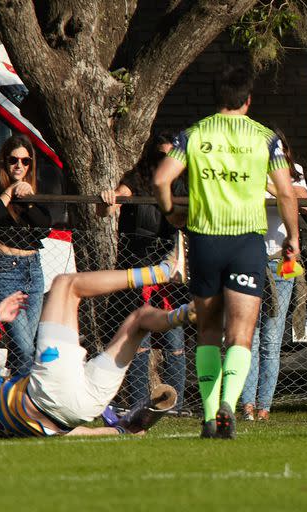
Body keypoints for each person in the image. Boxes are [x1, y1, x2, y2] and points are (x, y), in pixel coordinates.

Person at [153, 65, 300, 439]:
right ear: (248, 100)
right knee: (241, 335)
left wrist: (171, 211)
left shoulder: (194, 134)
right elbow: (285, 191)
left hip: (204, 240)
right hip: (246, 242)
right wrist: (292, 237)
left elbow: (160, 179)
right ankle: (229, 407)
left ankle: (206, 415)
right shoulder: (266, 138)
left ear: (216, 97)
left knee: (207, 332)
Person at [0, 245, 192, 437]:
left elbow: (64, 428)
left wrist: (120, 431)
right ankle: (162, 273)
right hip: (49, 394)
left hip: (80, 409)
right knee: (65, 284)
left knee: (139, 320)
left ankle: (186, 313)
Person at [99, 133, 187, 412]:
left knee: (174, 339)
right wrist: (110, 198)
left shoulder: (183, 184)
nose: (167, 163)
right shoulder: (137, 179)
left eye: (171, 158)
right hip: (138, 265)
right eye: (161, 157)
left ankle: (175, 405)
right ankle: (138, 404)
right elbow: (112, 204)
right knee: (140, 338)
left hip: (168, 271)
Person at [240, 131, 307, 422]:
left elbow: (302, 202)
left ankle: (265, 405)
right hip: (249, 260)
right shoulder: (245, 170)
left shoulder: (295, 174)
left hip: (282, 262)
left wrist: (272, 184)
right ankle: (246, 405)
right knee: (248, 338)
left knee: (271, 338)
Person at [0, 134, 51, 376]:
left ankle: (12, 396)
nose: (20, 166)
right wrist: (10, 190)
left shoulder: (33, 190)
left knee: (25, 344)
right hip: (7, 273)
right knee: (25, 345)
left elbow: (45, 227)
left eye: (25, 161)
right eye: (14, 160)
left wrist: (28, 200)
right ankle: (25, 397)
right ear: (4, 162)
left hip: (34, 271)